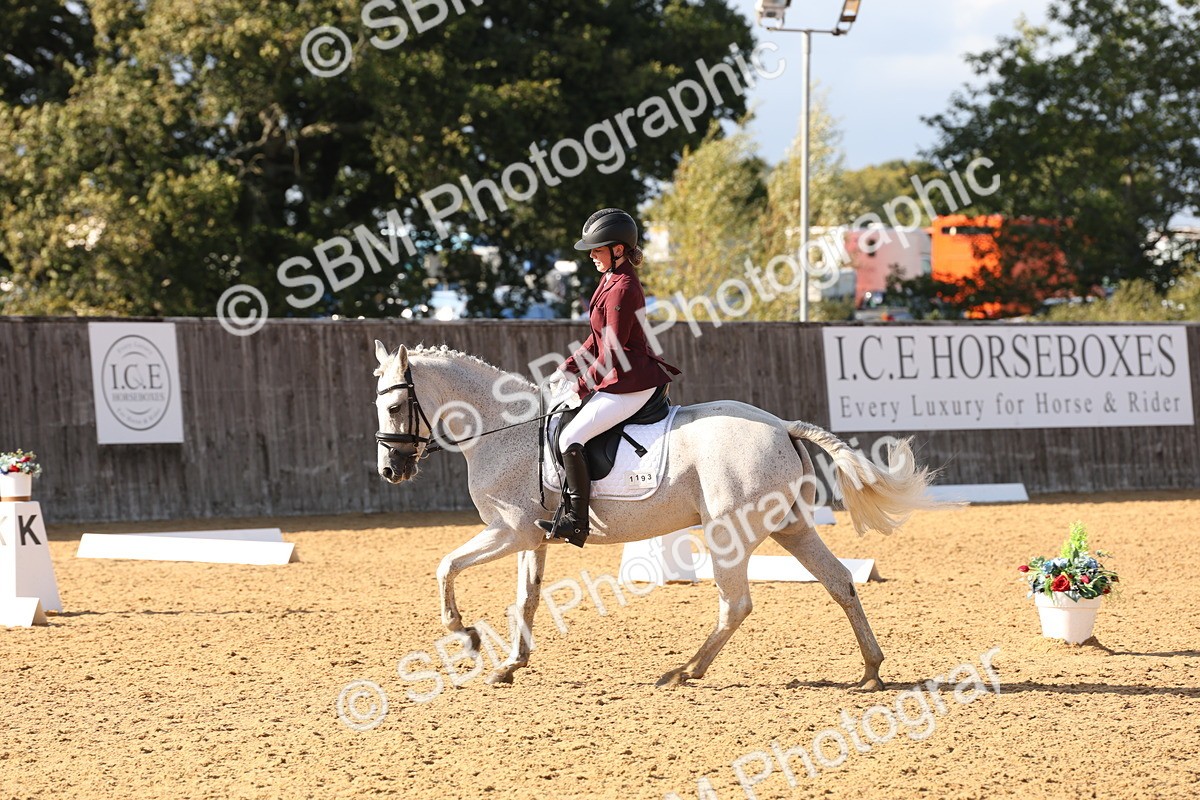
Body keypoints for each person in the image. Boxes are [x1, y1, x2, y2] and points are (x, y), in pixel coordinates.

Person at [537, 208, 681, 547]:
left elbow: (613, 349)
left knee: (570, 436)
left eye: (597, 249)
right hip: (615, 374)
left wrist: (581, 386)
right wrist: (566, 369)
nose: (591, 256)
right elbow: (595, 339)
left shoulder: (624, 286)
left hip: (631, 380)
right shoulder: (609, 280)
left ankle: (576, 521)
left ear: (618, 249)